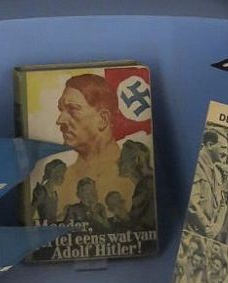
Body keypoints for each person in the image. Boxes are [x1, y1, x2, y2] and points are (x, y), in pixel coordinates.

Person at [55, 72, 134, 214]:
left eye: (72, 109)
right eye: (61, 110)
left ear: (103, 119)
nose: (60, 120)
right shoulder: (61, 181)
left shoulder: (135, 177)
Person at [187, 130, 228, 236]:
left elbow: (223, 204)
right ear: (210, 145)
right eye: (223, 148)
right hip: (189, 231)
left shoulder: (218, 173)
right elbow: (191, 203)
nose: (226, 153)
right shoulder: (194, 165)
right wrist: (206, 227)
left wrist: (217, 227)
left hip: (207, 233)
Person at [118, 140, 156, 230]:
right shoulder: (149, 182)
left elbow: (139, 225)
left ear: (135, 160)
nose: (119, 162)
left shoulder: (146, 186)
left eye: (123, 159)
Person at [30, 158, 66, 225]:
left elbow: (52, 219)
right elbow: (28, 216)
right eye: (60, 173)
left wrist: (63, 214)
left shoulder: (55, 194)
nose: (63, 177)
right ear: (52, 173)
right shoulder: (41, 192)